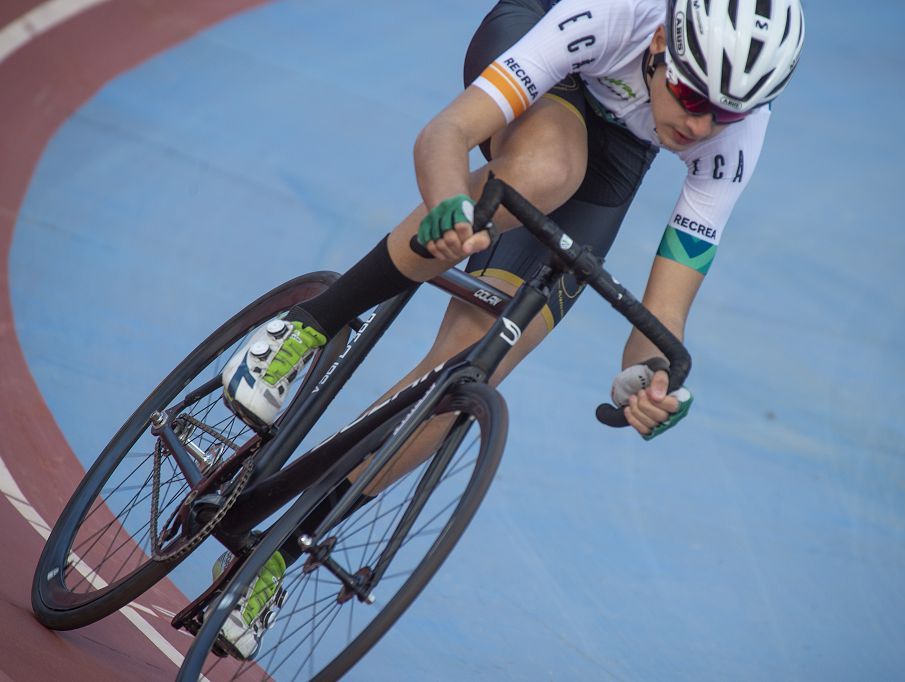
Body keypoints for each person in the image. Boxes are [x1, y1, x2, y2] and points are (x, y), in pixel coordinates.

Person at [213, 0, 805, 658]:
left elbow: (663, 315)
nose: (700, 125)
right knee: (550, 169)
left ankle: (272, 554)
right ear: (664, 42)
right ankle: (304, 328)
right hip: (544, 50)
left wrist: (650, 381)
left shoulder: (737, 131)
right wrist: (447, 205)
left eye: (723, 115)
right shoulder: (611, 16)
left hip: (620, 152)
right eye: (694, 97)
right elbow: (445, 134)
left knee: (473, 364)